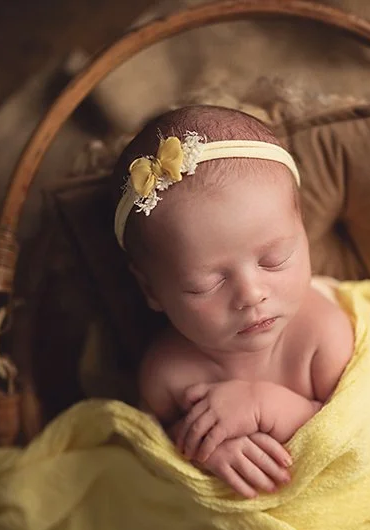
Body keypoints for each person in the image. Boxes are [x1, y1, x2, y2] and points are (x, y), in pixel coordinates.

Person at [112, 105, 355, 499]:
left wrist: (266, 406)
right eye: (205, 284)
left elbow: (354, 435)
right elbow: (158, 451)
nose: (251, 294)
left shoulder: (322, 335)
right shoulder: (169, 376)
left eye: (274, 260)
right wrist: (207, 449)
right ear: (152, 291)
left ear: (303, 234)